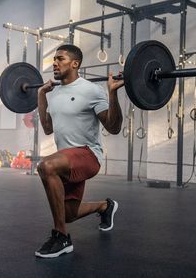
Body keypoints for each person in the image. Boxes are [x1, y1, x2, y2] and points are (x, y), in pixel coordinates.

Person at [35, 44, 124, 258]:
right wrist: (41, 94)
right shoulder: (54, 93)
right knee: (67, 214)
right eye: (54, 59)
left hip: (87, 155)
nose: (54, 63)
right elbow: (48, 128)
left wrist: (112, 94)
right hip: (66, 159)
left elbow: (113, 127)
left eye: (60, 58)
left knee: (45, 166)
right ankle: (105, 206)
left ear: (75, 63)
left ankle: (61, 238)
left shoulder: (91, 90)